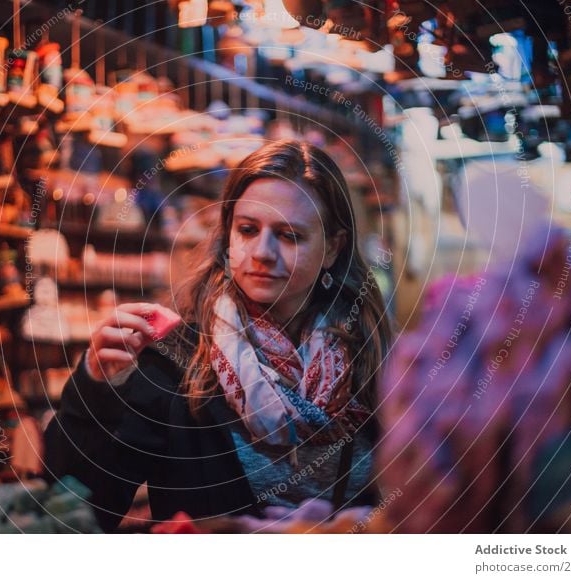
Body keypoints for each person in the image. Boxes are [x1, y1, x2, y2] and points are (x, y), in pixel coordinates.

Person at [44, 140, 392, 532]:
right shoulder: (178, 361)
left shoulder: (373, 361)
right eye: (247, 229)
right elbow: (73, 514)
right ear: (228, 236)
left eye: (289, 235)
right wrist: (94, 389)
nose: (262, 251)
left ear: (332, 248)